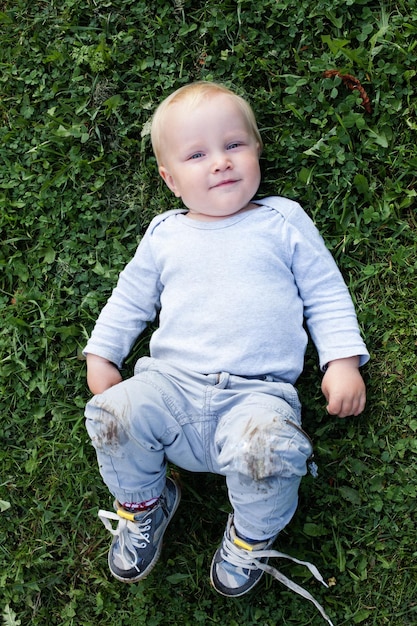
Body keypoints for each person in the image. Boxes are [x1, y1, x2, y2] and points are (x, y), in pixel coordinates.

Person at [84, 81, 368, 623]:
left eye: (234, 145)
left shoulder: (282, 220)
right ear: (170, 180)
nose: (220, 163)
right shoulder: (165, 234)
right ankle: (146, 503)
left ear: (257, 151)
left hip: (256, 397)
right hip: (170, 387)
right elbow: (129, 299)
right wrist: (103, 354)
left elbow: (325, 292)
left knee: (271, 453)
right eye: (197, 154)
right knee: (112, 415)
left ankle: (251, 536)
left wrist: (342, 361)